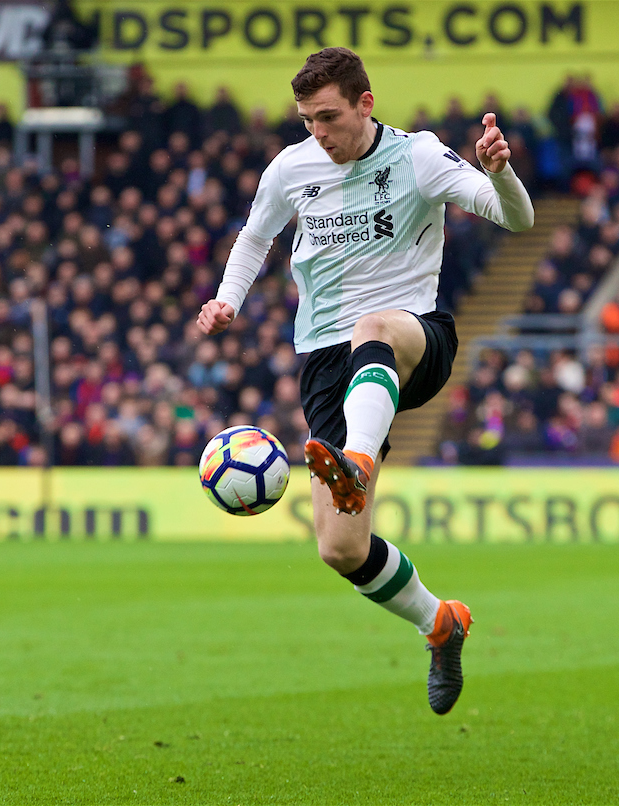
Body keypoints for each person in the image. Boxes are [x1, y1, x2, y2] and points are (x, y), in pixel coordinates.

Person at [196, 47, 534, 715]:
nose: (317, 133)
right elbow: (254, 235)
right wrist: (227, 297)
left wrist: (501, 174)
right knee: (340, 547)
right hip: (325, 362)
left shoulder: (418, 157)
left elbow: (516, 219)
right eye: (306, 120)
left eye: (328, 117)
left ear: (366, 104)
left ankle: (354, 456)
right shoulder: (291, 168)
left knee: (373, 326)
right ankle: (440, 622)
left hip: (413, 336)